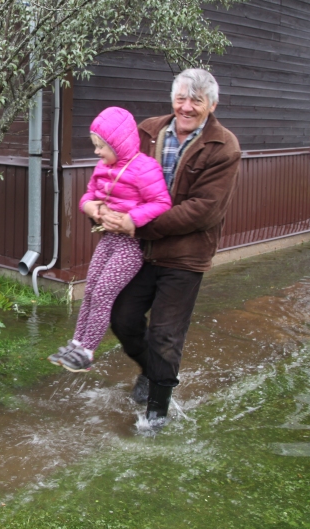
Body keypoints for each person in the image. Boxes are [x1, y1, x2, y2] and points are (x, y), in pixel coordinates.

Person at [101, 68, 241, 423]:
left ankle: (156, 414)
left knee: (165, 334)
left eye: (197, 100)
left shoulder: (224, 146)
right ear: (172, 99)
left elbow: (202, 211)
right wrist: (101, 209)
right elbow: (113, 174)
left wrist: (137, 223)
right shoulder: (148, 130)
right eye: (181, 98)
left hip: (184, 255)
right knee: (123, 318)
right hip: (139, 251)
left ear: (212, 104)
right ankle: (151, 372)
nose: (187, 107)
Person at [48, 107, 171, 372]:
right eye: (95, 146)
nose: (97, 152)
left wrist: (133, 219)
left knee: (104, 293)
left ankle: (87, 350)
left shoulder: (144, 168)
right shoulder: (103, 167)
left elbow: (162, 202)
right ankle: (76, 342)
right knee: (90, 289)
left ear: (119, 144)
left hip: (129, 246)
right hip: (107, 240)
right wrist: (90, 208)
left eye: (101, 146)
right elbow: (88, 196)